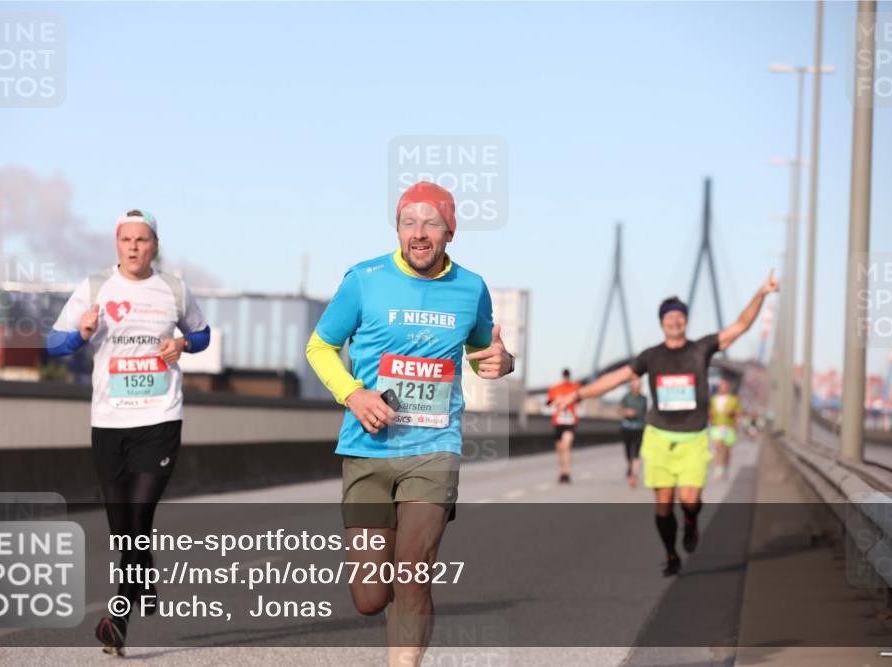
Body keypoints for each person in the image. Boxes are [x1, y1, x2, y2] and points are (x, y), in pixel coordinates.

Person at [305, 181, 513, 667]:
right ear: (397, 228)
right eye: (408, 222)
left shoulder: (471, 288)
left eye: (431, 223)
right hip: (368, 448)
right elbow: (320, 346)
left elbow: (487, 352)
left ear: (450, 231)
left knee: (414, 569)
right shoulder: (364, 279)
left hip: (434, 447)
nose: (419, 234)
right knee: (371, 597)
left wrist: (504, 362)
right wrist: (353, 393)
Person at [47, 210, 211, 656]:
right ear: (116, 243)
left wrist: (181, 344)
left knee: (138, 518)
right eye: (126, 239)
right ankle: (145, 570)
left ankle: (118, 618)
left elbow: (202, 335)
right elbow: (52, 343)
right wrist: (80, 334)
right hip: (109, 422)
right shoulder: (95, 289)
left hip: (159, 419)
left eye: (143, 239)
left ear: (155, 244)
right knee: (124, 529)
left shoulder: (173, 289)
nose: (134, 247)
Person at [555, 271, 778, 576]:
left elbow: (740, 325)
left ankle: (690, 521)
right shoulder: (650, 357)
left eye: (679, 317)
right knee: (663, 502)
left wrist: (761, 293)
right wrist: (577, 393)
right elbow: (614, 379)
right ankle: (671, 554)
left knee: (689, 500)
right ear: (662, 323)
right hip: (659, 437)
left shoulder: (700, 349)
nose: (674, 321)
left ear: (685, 321)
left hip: (694, 437)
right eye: (669, 317)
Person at [546, 369, 582, 483]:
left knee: (566, 446)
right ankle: (562, 472)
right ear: (563, 376)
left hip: (570, 423)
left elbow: (580, 401)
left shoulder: (575, 387)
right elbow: (548, 404)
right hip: (558, 423)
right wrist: (556, 402)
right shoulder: (555, 389)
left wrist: (571, 401)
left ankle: (567, 472)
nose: (566, 378)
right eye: (565, 376)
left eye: (568, 376)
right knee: (560, 449)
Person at [709, 377, 742, 479]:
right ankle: (718, 469)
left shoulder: (733, 400)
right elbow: (709, 412)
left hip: (729, 427)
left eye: (724, 386)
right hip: (717, 427)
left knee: (727, 450)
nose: (722, 388)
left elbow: (738, 413)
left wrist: (736, 423)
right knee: (718, 448)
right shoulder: (713, 399)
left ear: (727, 388)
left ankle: (726, 467)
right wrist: (711, 416)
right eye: (720, 386)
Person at [620, 378, 648, 488]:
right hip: (627, 427)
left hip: (639, 428)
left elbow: (645, 413)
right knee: (628, 451)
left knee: (636, 452)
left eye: (639, 386)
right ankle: (630, 467)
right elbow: (620, 410)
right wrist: (626, 412)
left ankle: (634, 475)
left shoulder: (644, 399)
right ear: (632, 387)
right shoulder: (626, 397)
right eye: (635, 386)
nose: (637, 388)